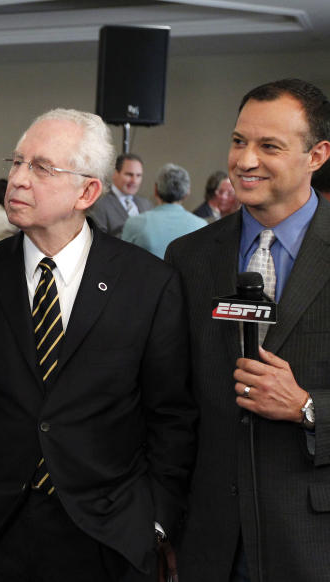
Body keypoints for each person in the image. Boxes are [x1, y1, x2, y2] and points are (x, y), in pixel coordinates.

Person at [0, 108, 197, 582]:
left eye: (41, 168)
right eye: (17, 162)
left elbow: (170, 416)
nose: (17, 180)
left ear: (88, 191)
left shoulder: (148, 284)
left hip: (105, 534)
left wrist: (156, 523)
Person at [166, 78, 330, 582]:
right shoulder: (189, 257)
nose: (245, 160)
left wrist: (307, 407)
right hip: (211, 541)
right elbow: (173, 403)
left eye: (269, 146)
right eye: (239, 141)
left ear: (317, 155)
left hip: (312, 537)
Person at [121, 163, 208, 257]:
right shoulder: (202, 226)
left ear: (155, 190)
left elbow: (122, 264)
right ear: (187, 193)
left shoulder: (135, 223)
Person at [88, 152, 153, 236]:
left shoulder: (146, 205)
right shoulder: (99, 203)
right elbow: (98, 240)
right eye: (129, 174)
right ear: (115, 174)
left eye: (138, 175)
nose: (134, 181)